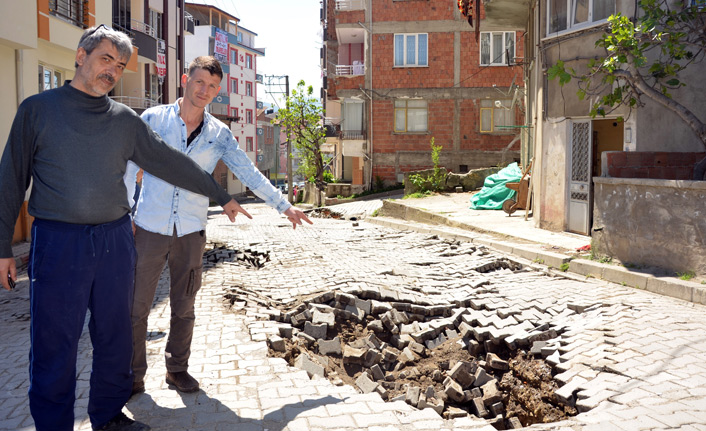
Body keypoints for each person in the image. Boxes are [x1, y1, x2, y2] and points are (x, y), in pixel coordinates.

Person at [0, 26, 251, 431]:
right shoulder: (38, 110)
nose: (112, 71)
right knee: (55, 342)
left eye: (119, 65)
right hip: (59, 243)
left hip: (116, 240)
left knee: (116, 336)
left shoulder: (125, 121)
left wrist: (219, 195)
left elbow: (171, 162)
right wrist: (2, 248)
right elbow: (10, 179)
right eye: (105, 60)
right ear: (80, 56)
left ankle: (109, 415)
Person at [125, 56, 312, 396]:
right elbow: (128, 167)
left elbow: (248, 171)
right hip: (148, 226)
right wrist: (126, 215)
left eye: (212, 86)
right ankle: (133, 375)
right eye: (200, 82)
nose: (205, 91)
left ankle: (177, 369)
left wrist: (283, 205)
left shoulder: (218, 133)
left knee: (184, 306)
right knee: (136, 307)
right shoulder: (152, 120)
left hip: (191, 231)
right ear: (185, 79)